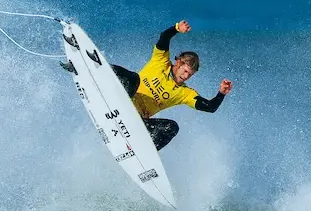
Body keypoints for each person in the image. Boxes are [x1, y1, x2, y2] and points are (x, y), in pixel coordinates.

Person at [64, 20, 233, 150]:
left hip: (135, 121)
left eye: (190, 74)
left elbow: (210, 107)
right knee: (133, 79)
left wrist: (221, 94)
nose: (186, 76)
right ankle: (87, 70)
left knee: (171, 127)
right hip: (120, 99)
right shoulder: (160, 61)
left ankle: (142, 150)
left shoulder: (185, 93)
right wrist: (176, 28)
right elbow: (164, 38)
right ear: (178, 63)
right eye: (185, 71)